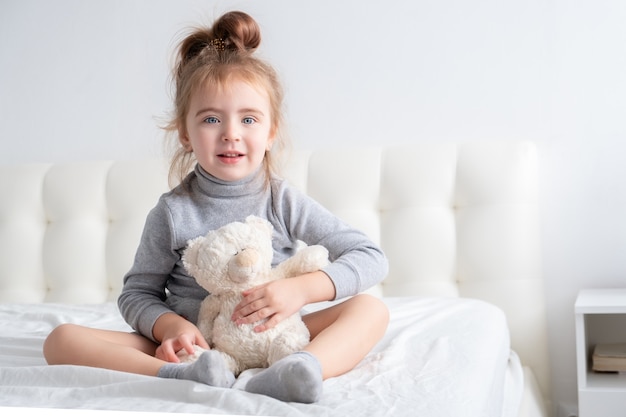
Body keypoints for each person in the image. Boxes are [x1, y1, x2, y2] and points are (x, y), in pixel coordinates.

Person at [43, 10, 389, 404]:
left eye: (248, 119)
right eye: (211, 119)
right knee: (61, 340)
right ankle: (183, 374)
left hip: (272, 335)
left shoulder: (281, 199)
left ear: (271, 131)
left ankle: (300, 368)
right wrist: (170, 327)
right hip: (199, 343)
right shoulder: (173, 212)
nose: (230, 134)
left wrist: (301, 291)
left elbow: (370, 257)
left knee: (370, 310)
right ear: (185, 133)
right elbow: (137, 293)